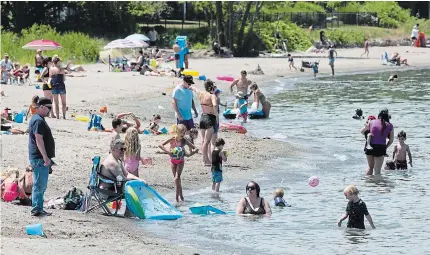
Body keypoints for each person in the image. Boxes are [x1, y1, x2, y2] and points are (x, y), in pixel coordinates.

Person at [28, 97, 55, 216]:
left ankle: (38, 207)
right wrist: (45, 156)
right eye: (49, 108)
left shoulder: (38, 119)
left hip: (39, 157)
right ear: (42, 107)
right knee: (39, 184)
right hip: (39, 157)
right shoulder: (38, 120)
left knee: (40, 183)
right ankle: (36, 209)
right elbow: (39, 139)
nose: (49, 111)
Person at [159, 124, 199, 202]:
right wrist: (168, 152)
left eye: (184, 133)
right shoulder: (172, 139)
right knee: (177, 180)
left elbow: (195, 147)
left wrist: (194, 152)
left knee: (177, 178)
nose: (183, 134)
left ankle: (177, 199)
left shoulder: (184, 140)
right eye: (182, 132)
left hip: (181, 161)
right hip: (173, 160)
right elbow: (160, 145)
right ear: (177, 132)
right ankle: (182, 197)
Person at [188, 79, 218, 166]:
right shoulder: (212, 96)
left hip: (203, 117)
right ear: (211, 86)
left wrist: (191, 87)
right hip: (210, 118)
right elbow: (215, 105)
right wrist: (215, 113)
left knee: (204, 140)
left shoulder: (201, 93)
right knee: (207, 141)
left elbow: (194, 89)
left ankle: (205, 159)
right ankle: (205, 160)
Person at [360, 108, 394, 175]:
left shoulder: (372, 122)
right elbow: (391, 140)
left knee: (370, 167)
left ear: (379, 115)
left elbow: (362, 131)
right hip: (380, 147)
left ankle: (368, 183)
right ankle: (377, 185)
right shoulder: (390, 125)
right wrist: (386, 148)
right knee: (377, 170)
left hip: (369, 145)